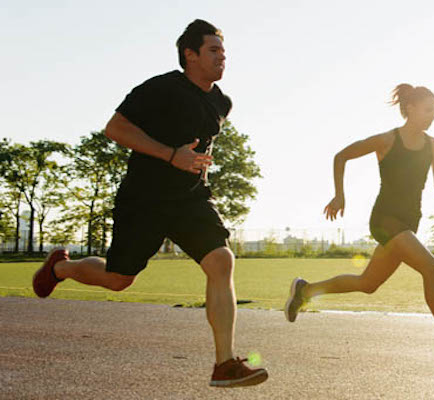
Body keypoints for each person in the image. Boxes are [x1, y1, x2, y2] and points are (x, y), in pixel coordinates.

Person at [31, 19, 268, 387]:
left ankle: (224, 363)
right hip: (145, 198)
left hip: (190, 198)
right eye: (214, 50)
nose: (223, 57)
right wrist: (171, 155)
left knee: (222, 260)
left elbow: (201, 144)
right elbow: (115, 128)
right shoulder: (160, 89)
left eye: (224, 51)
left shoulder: (221, 101)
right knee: (118, 278)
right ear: (190, 55)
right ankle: (61, 269)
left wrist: (196, 169)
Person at [284, 84, 434, 368]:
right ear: (410, 108)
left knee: (368, 284)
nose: (433, 116)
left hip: (409, 222)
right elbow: (341, 156)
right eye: (428, 110)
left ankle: (305, 290)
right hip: (385, 220)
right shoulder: (386, 140)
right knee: (432, 269)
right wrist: (340, 194)